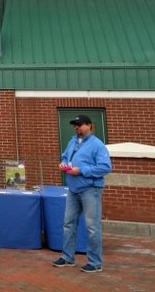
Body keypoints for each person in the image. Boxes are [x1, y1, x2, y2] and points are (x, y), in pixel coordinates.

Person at [53, 114, 112, 273]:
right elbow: (65, 156)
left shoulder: (97, 145)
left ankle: (95, 262)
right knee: (68, 223)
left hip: (90, 189)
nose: (76, 127)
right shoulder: (73, 141)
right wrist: (63, 163)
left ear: (89, 126)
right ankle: (67, 257)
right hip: (73, 189)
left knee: (92, 226)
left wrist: (81, 170)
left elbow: (105, 167)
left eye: (79, 125)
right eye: (75, 125)